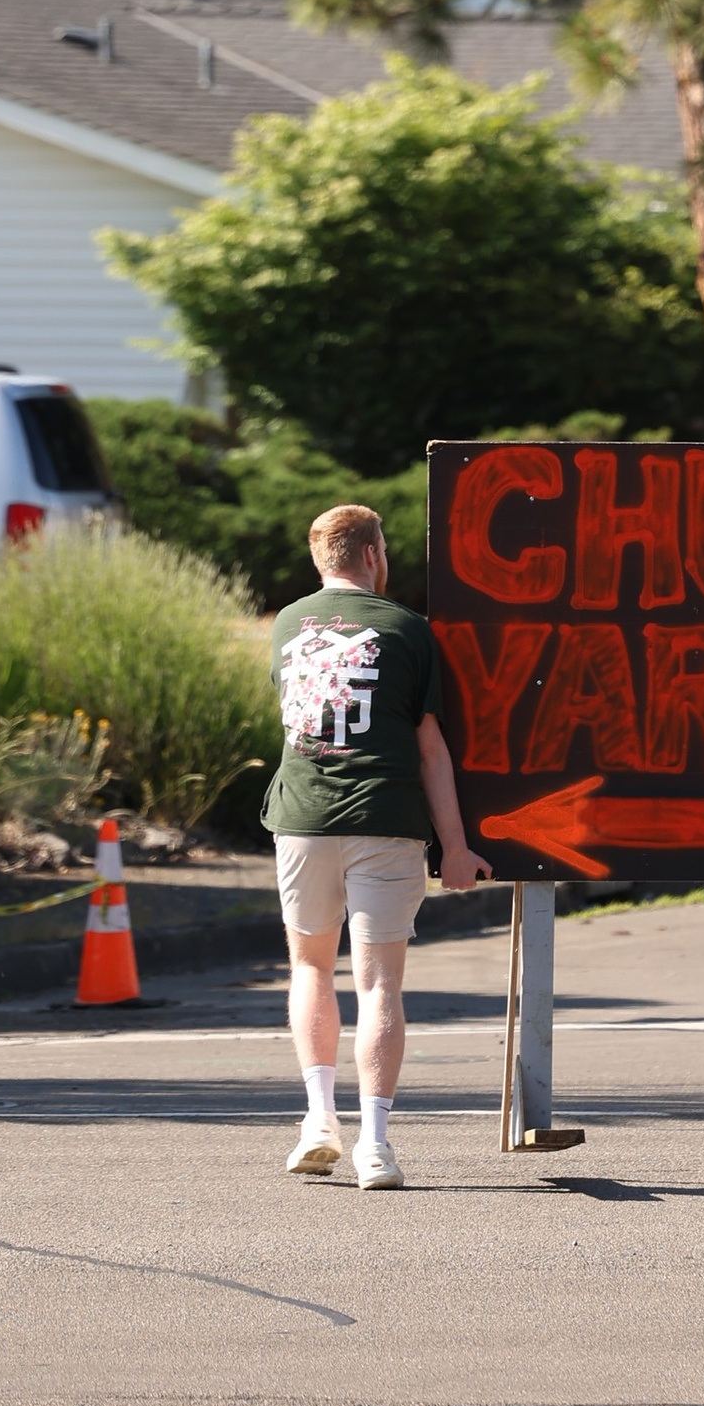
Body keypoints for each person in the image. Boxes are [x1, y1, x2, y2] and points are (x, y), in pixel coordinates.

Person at [266, 501, 489, 1189]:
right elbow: (431, 749)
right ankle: (377, 1145)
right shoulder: (408, 630)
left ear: (320, 560)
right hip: (387, 818)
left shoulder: (286, 625)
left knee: (310, 968)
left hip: (302, 819)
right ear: (371, 555)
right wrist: (454, 847)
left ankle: (317, 1119)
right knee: (379, 983)